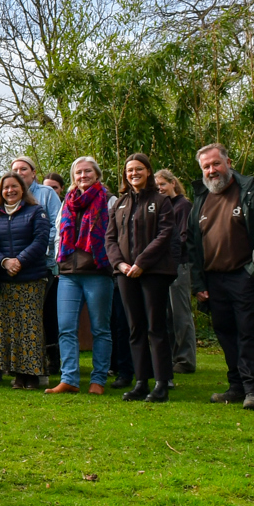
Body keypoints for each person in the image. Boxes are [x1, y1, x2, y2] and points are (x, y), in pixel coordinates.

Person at [191, 144, 254, 409]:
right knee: (225, 334)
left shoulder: (249, 192)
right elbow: (193, 244)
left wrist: (253, 271)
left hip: (243, 274)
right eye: (206, 167)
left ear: (228, 162)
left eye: (216, 164)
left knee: (249, 333)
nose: (212, 171)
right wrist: (198, 283)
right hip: (213, 280)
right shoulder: (201, 198)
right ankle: (236, 386)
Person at [106, 154, 178, 402]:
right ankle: (141, 382)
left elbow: (165, 233)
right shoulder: (120, 203)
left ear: (148, 171)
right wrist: (121, 264)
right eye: (129, 170)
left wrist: (141, 263)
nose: (133, 173)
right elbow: (110, 238)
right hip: (125, 273)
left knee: (155, 327)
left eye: (138, 169)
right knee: (134, 328)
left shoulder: (161, 201)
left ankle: (161, 384)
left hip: (154, 272)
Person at [50, 157, 115, 395]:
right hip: (68, 274)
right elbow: (58, 233)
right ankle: (69, 379)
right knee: (66, 328)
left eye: (88, 171)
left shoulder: (109, 200)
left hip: (97, 271)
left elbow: (113, 235)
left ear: (97, 175)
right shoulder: (68, 201)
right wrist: (59, 260)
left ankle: (98, 380)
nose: (83, 175)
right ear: (73, 176)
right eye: (78, 172)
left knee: (100, 329)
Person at [0, 172, 49, 389]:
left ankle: (32, 375)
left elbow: (41, 241)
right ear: (0, 192)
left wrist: (19, 261)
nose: (10, 191)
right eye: (5, 188)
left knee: (30, 327)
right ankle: (17, 374)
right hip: (5, 280)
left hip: (31, 278)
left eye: (14, 187)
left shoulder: (36, 211)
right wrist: (4, 262)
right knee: (10, 328)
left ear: (23, 189)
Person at [11, 156, 62, 376]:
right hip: (19, 266)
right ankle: (28, 362)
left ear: (33, 173)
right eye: (15, 169)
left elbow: (56, 225)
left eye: (24, 168)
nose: (20, 172)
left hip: (45, 263)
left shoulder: (46, 194)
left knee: (48, 315)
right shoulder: (11, 194)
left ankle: (52, 360)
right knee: (26, 316)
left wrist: (36, 250)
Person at [155, 169, 198, 375]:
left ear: (173, 183)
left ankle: (186, 359)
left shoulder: (183, 206)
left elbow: (183, 238)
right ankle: (173, 357)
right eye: (157, 187)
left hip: (179, 264)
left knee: (181, 314)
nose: (160, 189)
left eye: (163, 184)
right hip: (163, 266)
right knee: (168, 315)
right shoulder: (163, 207)